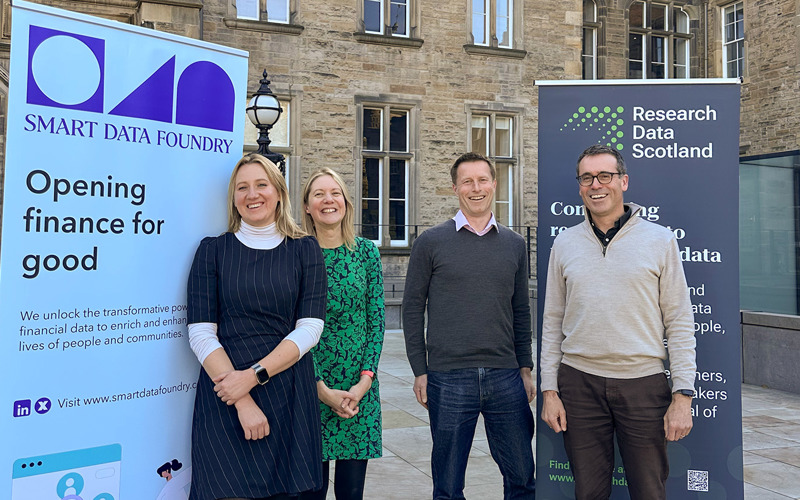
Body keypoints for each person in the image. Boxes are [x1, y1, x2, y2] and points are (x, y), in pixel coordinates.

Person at [540, 144, 696, 500]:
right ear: (580, 186)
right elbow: (551, 321)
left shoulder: (660, 240)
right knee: (588, 493)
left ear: (623, 181)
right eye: (587, 177)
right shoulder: (564, 244)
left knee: (649, 491)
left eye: (605, 176)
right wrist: (550, 390)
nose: (597, 184)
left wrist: (683, 395)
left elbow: (680, 320)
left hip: (643, 386)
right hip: (579, 386)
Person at [186, 153, 328, 500]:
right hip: (226, 394)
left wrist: (254, 376)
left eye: (261, 185)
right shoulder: (213, 251)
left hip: (288, 391)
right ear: (233, 198)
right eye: (242, 187)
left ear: (279, 192)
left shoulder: (305, 250)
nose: (253, 195)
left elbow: (309, 329)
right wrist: (242, 399)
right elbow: (201, 333)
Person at [402, 152, 536, 500]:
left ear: (494, 184)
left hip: (505, 375)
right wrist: (420, 370)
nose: (475, 188)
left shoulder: (515, 244)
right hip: (448, 377)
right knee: (447, 486)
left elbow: (521, 310)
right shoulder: (430, 242)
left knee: (522, 478)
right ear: (455, 188)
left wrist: (525, 367)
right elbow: (412, 309)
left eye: (482, 180)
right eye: (467, 181)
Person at [299, 168, 385, 500]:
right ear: (307, 206)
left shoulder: (366, 252)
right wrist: (321, 389)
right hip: (310, 385)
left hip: (357, 390)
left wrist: (362, 384)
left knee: (351, 493)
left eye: (334, 192)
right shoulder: (297, 254)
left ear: (346, 203)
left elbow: (376, 322)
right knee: (310, 492)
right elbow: (293, 328)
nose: (328, 200)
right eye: (318, 194)